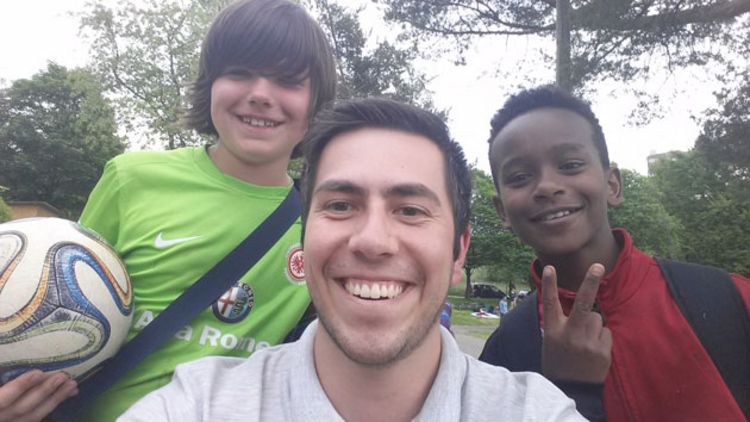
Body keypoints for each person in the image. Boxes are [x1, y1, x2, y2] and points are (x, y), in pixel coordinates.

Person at [117, 98, 585, 421]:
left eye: (410, 210)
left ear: (459, 250)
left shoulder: (533, 412)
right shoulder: (197, 405)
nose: (372, 240)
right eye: (340, 205)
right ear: (304, 237)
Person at [0, 1, 336, 421]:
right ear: (210, 83)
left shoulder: (325, 219)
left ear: (316, 102)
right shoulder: (132, 179)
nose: (260, 95)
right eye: (239, 73)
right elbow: (52, 300)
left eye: (288, 81)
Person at [478, 85, 750, 421]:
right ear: (501, 210)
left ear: (612, 185)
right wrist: (568, 390)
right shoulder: (504, 351)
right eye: (520, 177)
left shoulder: (728, 300)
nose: (547, 186)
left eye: (571, 164)